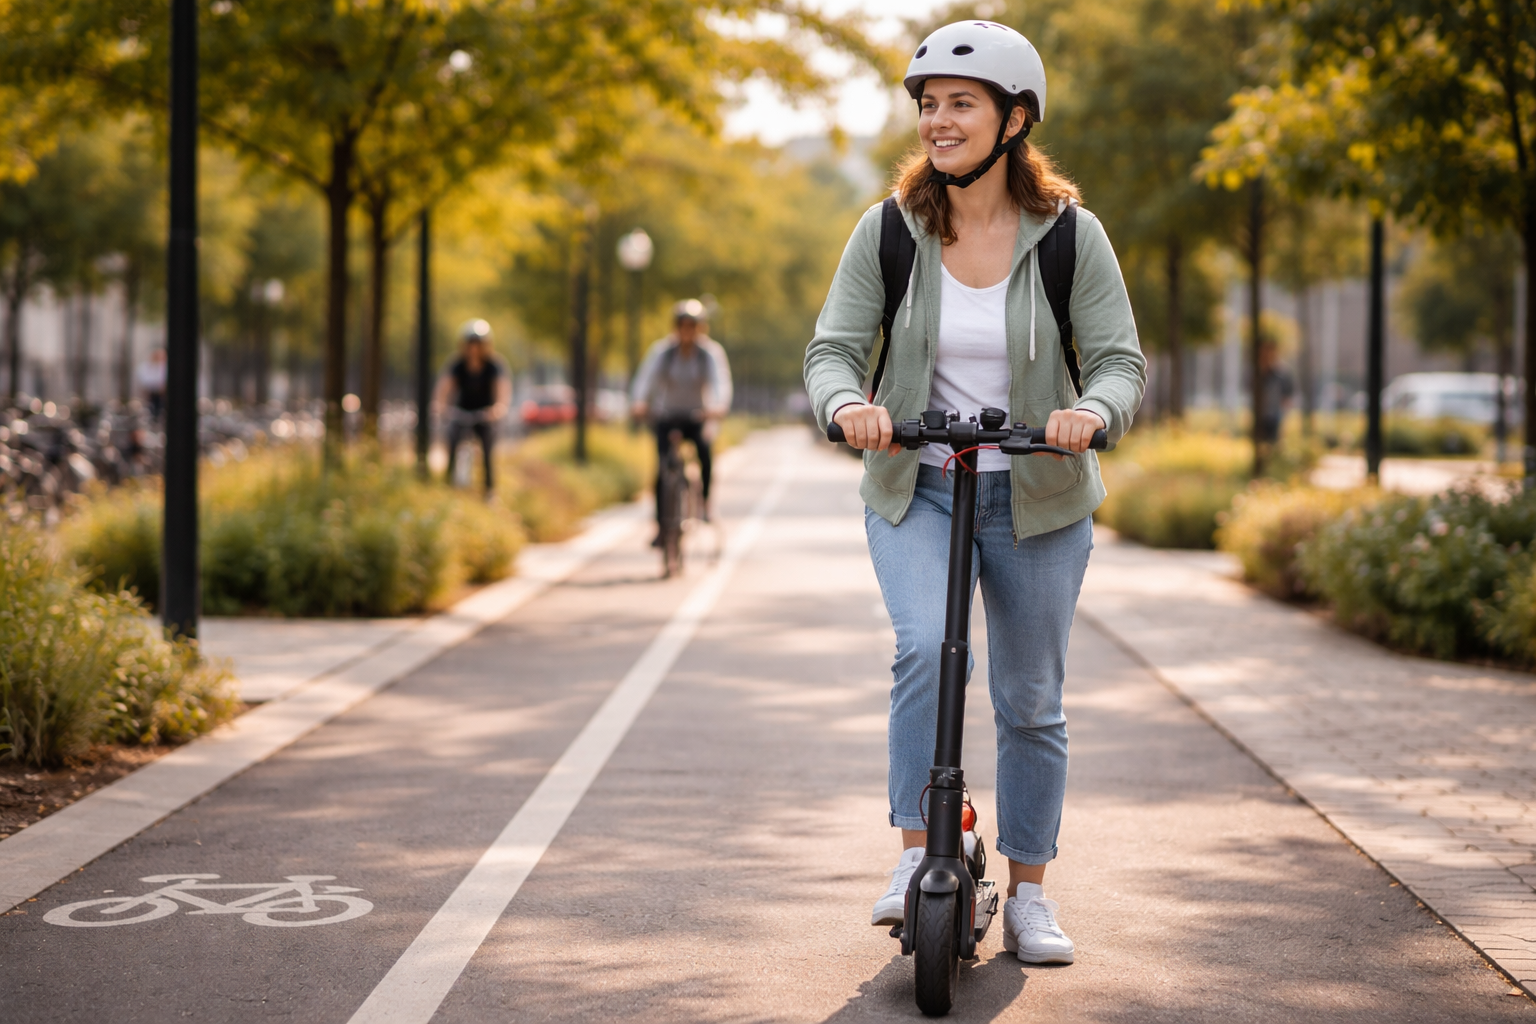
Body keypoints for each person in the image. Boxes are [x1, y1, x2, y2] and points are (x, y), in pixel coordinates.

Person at [803, 21, 1145, 965]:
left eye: (961, 104)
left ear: (1015, 119)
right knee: (925, 651)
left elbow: (1118, 361)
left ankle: (1031, 890)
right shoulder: (890, 230)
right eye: (928, 105)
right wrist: (847, 403)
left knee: (1030, 698)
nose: (938, 121)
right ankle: (917, 861)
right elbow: (832, 348)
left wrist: (1090, 411)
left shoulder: (1071, 236)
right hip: (921, 485)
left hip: (1036, 493)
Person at [631, 299, 733, 532]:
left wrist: (719, 406)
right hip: (667, 415)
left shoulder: (709, 354)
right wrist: (639, 402)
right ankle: (661, 526)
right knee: (662, 468)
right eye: (683, 326)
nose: (687, 331)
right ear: (675, 328)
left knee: (705, 455)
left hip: (697, 416)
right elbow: (646, 378)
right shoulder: (663, 352)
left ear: (701, 328)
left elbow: (721, 381)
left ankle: (705, 504)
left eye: (692, 326)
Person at [432, 319, 510, 493]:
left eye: (478, 344)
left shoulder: (494, 366)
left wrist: (498, 408)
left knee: (487, 445)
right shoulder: (457, 364)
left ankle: (489, 490)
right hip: (462, 410)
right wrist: (440, 405)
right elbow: (444, 387)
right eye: (471, 344)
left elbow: (502, 390)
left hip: (485, 413)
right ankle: (448, 484)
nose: (474, 349)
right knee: (452, 439)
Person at [1257, 339, 1295, 444]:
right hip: (1261, 416)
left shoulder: (1282, 374)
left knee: (1273, 443)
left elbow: (1288, 395)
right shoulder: (1258, 373)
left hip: (1275, 416)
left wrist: (1284, 414)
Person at [137, 348, 167, 420]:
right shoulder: (146, 366)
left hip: (163, 395)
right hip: (151, 394)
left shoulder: (164, 366)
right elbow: (144, 380)